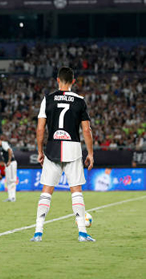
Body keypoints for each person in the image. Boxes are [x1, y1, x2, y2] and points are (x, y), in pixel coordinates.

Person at [31, 66, 95, 242]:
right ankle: (82, 233)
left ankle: (38, 232)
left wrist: (39, 151)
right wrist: (90, 153)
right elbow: (86, 130)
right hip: (73, 148)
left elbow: (40, 128)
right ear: (73, 81)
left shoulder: (47, 99)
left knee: (46, 191)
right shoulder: (80, 101)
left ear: (57, 80)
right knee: (76, 191)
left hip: (52, 148)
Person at [0, 137, 18, 202]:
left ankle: (13, 197)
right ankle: (10, 197)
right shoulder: (3, 145)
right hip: (7, 164)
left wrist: (9, 160)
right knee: (8, 181)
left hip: (11, 163)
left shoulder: (4, 143)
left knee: (12, 180)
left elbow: (9, 150)